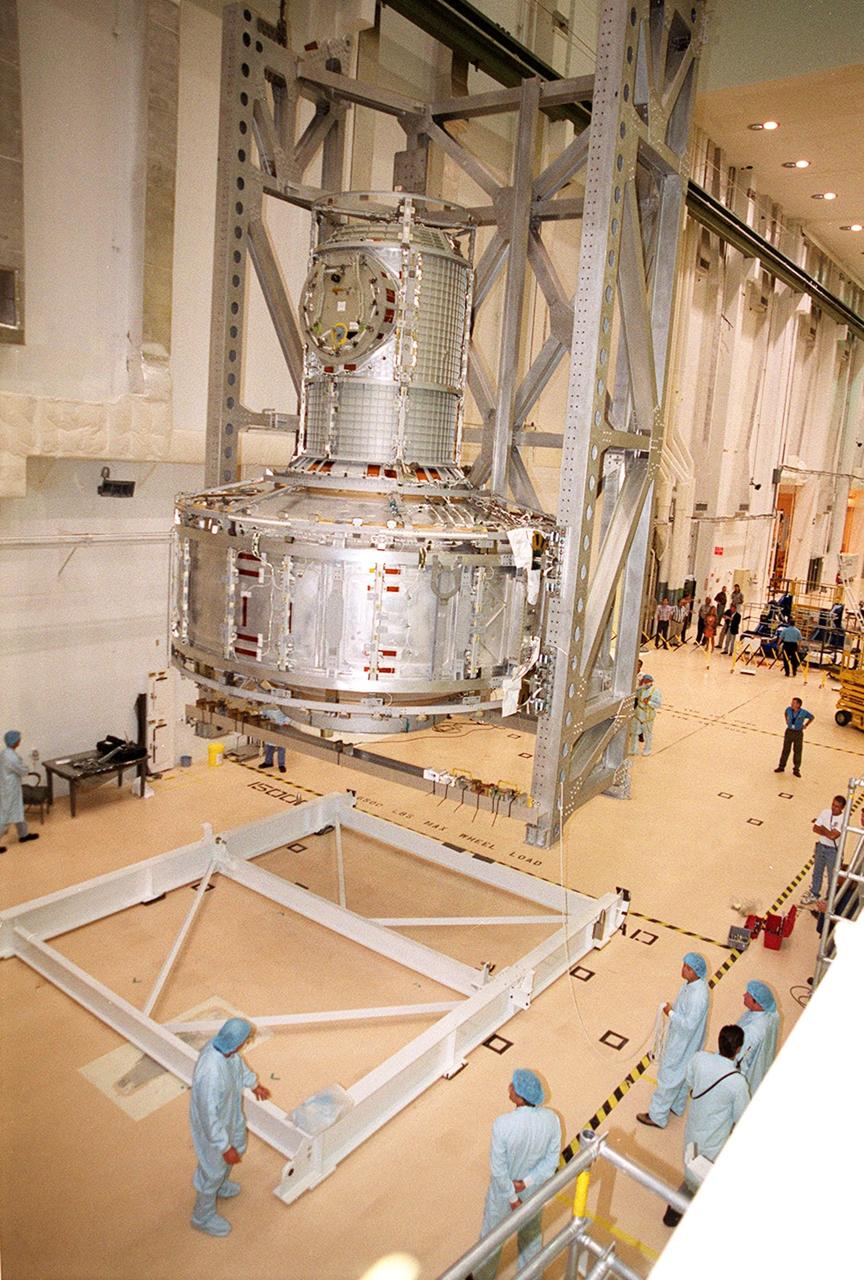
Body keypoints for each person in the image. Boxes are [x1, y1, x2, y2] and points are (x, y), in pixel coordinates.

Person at [189, 1017, 271, 1237]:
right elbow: (208, 1116)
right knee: (212, 1170)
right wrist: (224, 1147)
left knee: (239, 1145)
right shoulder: (210, 1072)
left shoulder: (229, 1052)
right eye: (246, 1041)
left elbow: (239, 1068)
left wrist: (254, 1085)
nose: (245, 1045)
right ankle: (202, 1217)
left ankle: (221, 1183)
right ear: (237, 1042)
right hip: (213, 1129)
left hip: (230, 1114)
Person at [661, 1025, 750, 1227]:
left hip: (693, 1129)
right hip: (715, 1140)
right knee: (702, 1177)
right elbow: (740, 1115)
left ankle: (675, 1209)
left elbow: (690, 1080)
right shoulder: (737, 1083)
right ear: (738, 1049)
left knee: (692, 1169)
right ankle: (680, 1208)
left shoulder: (700, 1059)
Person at [476, 1069, 561, 1280]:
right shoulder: (552, 1120)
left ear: (520, 1097)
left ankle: (482, 1276)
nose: (509, 1088)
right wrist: (526, 1183)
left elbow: (499, 1170)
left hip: (503, 1195)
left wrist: (513, 1199)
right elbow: (550, 1164)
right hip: (532, 1191)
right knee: (531, 1238)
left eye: (513, 1086)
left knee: (491, 1241)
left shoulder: (503, 1124)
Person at [637, 953, 709, 1129]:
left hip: (682, 1042)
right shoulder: (691, 985)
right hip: (687, 1041)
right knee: (683, 1074)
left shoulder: (697, 995)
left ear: (697, 972)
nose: (683, 969)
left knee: (668, 1076)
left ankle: (657, 1116)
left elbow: (688, 1025)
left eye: (688, 968)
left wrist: (670, 1013)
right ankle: (676, 1106)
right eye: (684, 965)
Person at [736, 980, 780, 1095]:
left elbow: (742, 1061)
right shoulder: (768, 1015)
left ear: (756, 1003)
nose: (744, 995)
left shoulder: (752, 1031)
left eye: (748, 995)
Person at [0, 730, 40, 854]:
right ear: (14, 742)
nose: (19, 741)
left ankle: (24, 835)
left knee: (18, 810)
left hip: (11, 787)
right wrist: (27, 770)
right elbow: (21, 770)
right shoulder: (10, 757)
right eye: (18, 739)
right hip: (9, 789)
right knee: (6, 816)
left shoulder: (6, 753)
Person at [800, 794, 845, 905]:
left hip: (833, 851)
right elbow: (815, 828)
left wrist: (823, 829)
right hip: (821, 846)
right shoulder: (825, 812)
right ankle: (814, 893)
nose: (834, 808)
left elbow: (833, 836)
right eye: (833, 805)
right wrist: (828, 832)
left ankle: (830, 899)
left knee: (832, 877)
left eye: (837, 807)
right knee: (817, 872)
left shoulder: (843, 819)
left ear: (842, 808)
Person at [774, 697, 813, 777]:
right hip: (789, 731)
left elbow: (812, 717)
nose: (791, 704)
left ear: (798, 705)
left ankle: (796, 769)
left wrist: (806, 725)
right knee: (785, 749)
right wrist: (786, 720)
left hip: (798, 733)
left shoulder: (803, 712)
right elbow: (785, 713)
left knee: (797, 751)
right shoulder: (788, 709)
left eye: (793, 703)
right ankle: (781, 766)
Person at [628, 672, 662, 755]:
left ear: (651, 682)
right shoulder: (641, 690)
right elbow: (633, 694)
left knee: (647, 734)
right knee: (634, 732)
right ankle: (633, 749)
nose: (645, 683)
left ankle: (647, 749)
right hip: (638, 714)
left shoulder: (655, 691)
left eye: (647, 681)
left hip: (648, 715)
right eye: (644, 681)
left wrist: (649, 703)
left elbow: (658, 704)